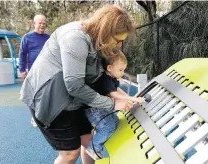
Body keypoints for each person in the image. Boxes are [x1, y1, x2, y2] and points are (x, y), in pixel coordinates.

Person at [20, 5, 135, 164]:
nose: (120, 45)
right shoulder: (75, 38)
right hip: (50, 99)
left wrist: (125, 97)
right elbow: (74, 86)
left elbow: (99, 78)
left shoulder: (98, 41)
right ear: (105, 31)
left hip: (75, 99)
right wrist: (112, 103)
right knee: (69, 154)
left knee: (88, 139)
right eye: (118, 40)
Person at [85, 48, 145, 160]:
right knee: (108, 127)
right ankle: (94, 147)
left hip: (99, 107)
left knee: (114, 121)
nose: (123, 73)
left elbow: (117, 90)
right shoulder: (106, 79)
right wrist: (133, 98)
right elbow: (114, 94)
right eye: (121, 70)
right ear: (110, 68)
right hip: (94, 109)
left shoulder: (111, 77)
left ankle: (100, 137)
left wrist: (131, 99)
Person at [18, 14, 50, 127]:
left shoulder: (49, 38)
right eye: (40, 23)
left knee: (46, 94)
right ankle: (34, 117)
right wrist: (22, 69)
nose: (42, 25)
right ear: (34, 23)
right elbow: (22, 54)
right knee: (34, 96)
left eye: (44, 23)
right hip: (33, 72)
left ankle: (45, 116)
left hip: (47, 72)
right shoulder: (27, 37)